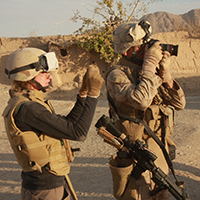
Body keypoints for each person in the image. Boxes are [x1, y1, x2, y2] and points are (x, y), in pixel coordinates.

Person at [2, 47, 104, 200]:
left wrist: (82, 95)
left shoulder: (30, 103)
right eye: (44, 72)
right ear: (28, 75)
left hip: (48, 185)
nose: (49, 76)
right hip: (45, 189)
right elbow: (78, 133)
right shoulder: (29, 109)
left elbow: (67, 124)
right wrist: (93, 96)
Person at [106, 20, 186, 199]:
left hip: (160, 152)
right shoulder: (117, 75)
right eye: (144, 46)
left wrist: (166, 77)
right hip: (137, 158)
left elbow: (180, 104)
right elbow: (141, 100)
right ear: (128, 50)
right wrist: (150, 65)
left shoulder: (149, 72)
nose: (150, 50)